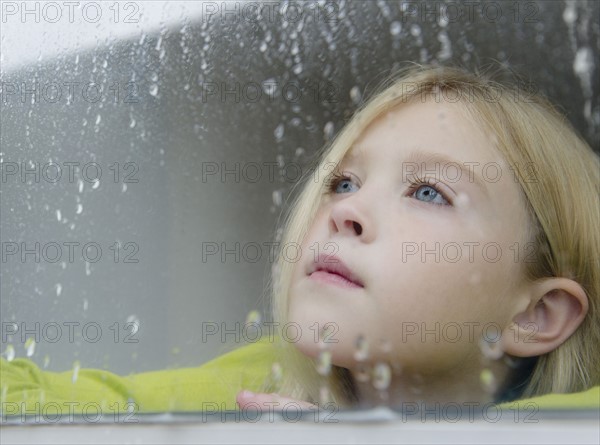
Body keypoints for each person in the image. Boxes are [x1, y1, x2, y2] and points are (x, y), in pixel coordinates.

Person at [2, 64, 599, 418]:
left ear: (538, 313)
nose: (347, 211)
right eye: (343, 181)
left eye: (428, 192)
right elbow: (33, 401)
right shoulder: (269, 377)